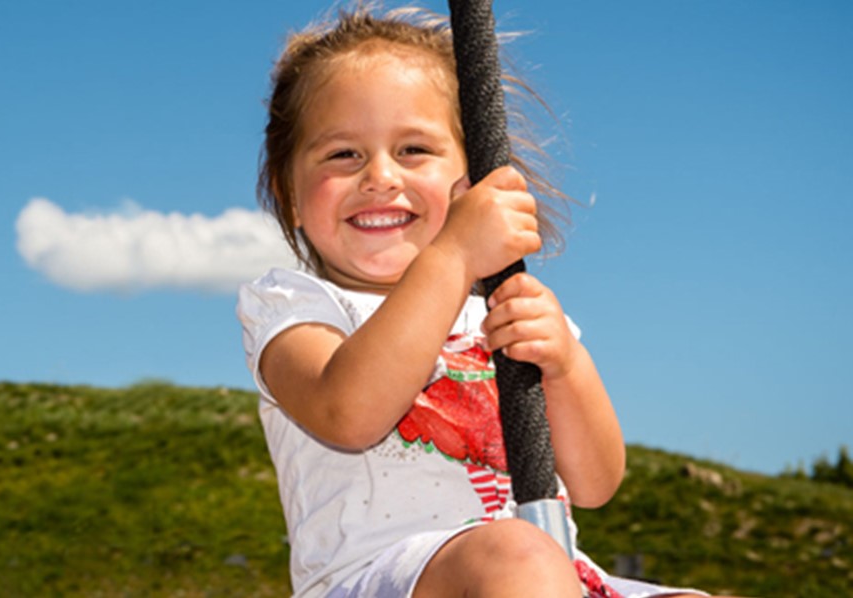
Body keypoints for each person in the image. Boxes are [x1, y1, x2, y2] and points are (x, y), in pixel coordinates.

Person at [237, 4, 733, 597]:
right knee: (516, 555)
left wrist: (566, 365)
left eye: (414, 150)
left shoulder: (507, 309)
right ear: (288, 194)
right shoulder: (295, 306)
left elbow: (597, 482)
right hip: (380, 578)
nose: (380, 177)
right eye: (343, 154)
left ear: (470, 182)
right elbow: (349, 413)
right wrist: (451, 257)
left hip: (550, 572)